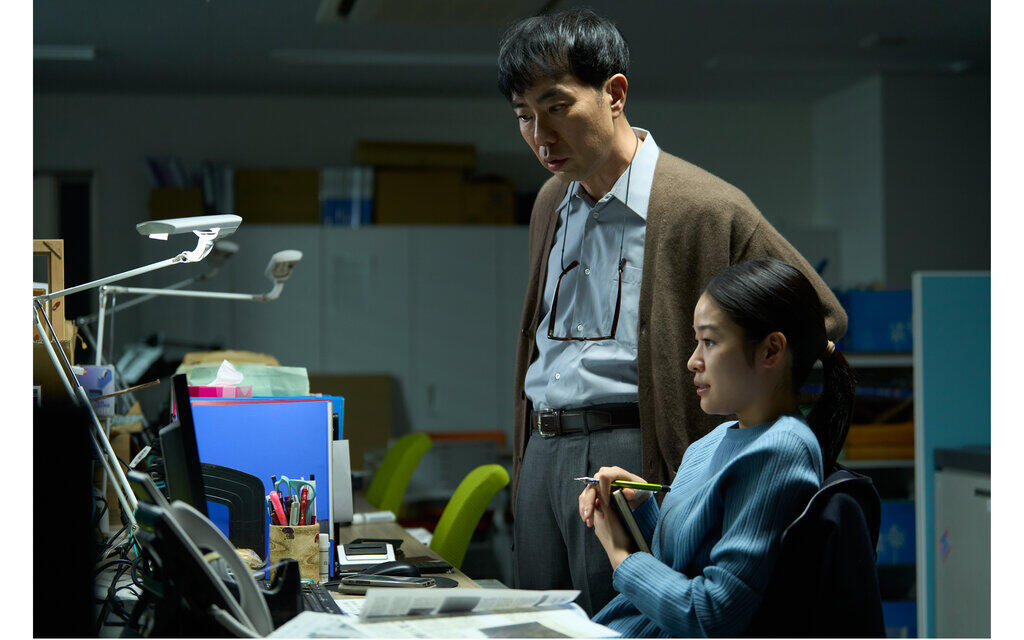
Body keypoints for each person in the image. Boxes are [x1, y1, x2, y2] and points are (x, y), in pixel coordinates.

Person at [498, 8, 847, 615]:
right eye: (524, 116)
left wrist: (742, 418)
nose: (541, 136)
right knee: (536, 625)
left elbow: (819, 316)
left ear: (614, 94)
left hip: (635, 448)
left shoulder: (702, 206)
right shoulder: (551, 200)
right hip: (541, 447)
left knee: (621, 625)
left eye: (557, 107)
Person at [578, 258, 856, 637]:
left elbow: (710, 614)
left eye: (709, 342)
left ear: (771, 351)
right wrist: (638, 507)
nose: (693, 361)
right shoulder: (715, 441)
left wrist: (620, 554)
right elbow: (681, 565)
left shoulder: (780, 450)